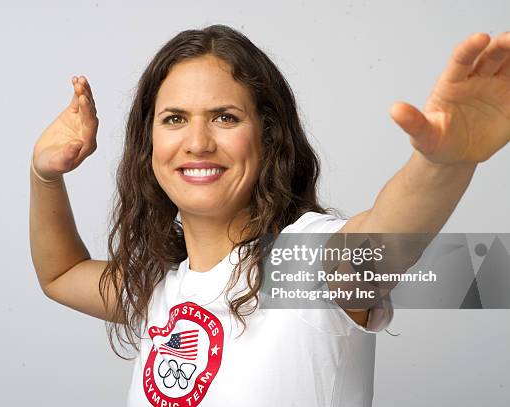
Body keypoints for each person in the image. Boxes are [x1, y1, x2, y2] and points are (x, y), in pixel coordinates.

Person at [29, 25, 510, 407]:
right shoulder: (161, 288)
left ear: (269, 137)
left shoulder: (301, 266)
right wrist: (44, 174)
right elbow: (61, 273)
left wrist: (444, 163)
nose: (197, 142)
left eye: (225, 117)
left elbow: (385, 241)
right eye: (174, 118)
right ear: (149, 144)